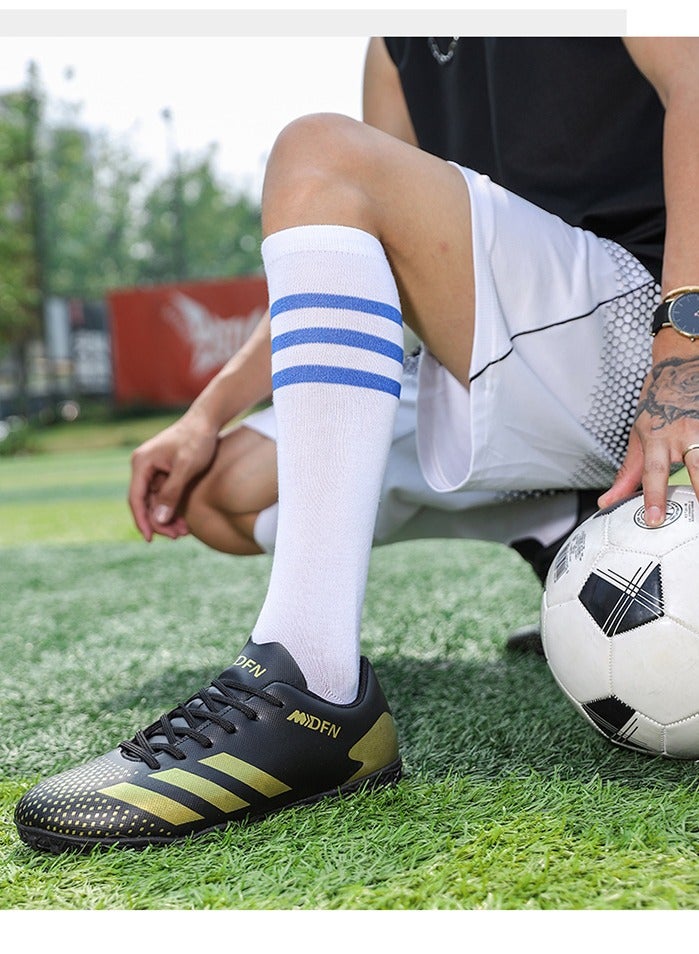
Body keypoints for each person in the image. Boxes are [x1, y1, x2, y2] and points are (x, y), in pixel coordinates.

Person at [15, 37, 699, 853]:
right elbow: (354, 242)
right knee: (216, 492)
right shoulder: (396, 42)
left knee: (320, 151)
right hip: (528, 352)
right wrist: (203, 416)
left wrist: (682, 349)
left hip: (650, 310)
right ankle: (560, 525)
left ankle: (310, 683)